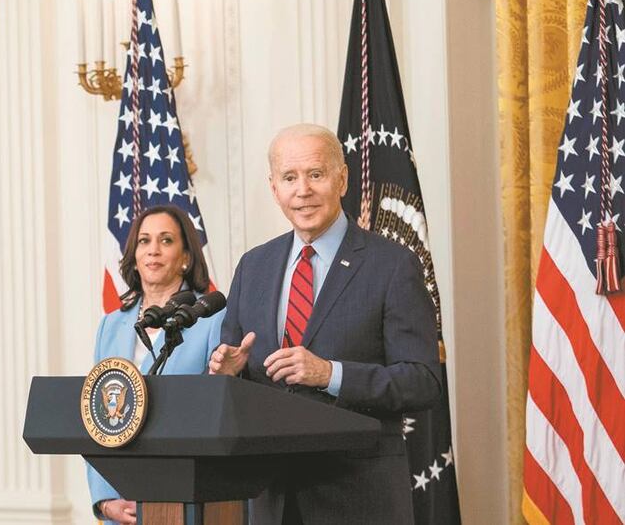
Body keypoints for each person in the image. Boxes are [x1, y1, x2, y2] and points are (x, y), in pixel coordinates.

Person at [209, 124, 440, 525]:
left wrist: (329, 374)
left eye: (316, 174)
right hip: (272, 497)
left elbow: (422, 381)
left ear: (342, 179)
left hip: (358, 496)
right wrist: (228, 374)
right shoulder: (254, 266)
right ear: (274, 187)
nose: (303, 190)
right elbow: (235, 384)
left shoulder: (392, 264)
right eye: (289, 178)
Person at [89, 205, 223, 525]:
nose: (153, 250)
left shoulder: (212, 320)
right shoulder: (111, 325)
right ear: (134, 254)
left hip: (186, 498)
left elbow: (216, 411)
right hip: (121, 505)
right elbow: (95, 416)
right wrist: (105, 500)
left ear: (186, 256)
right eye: (144, 241)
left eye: (166, 241)